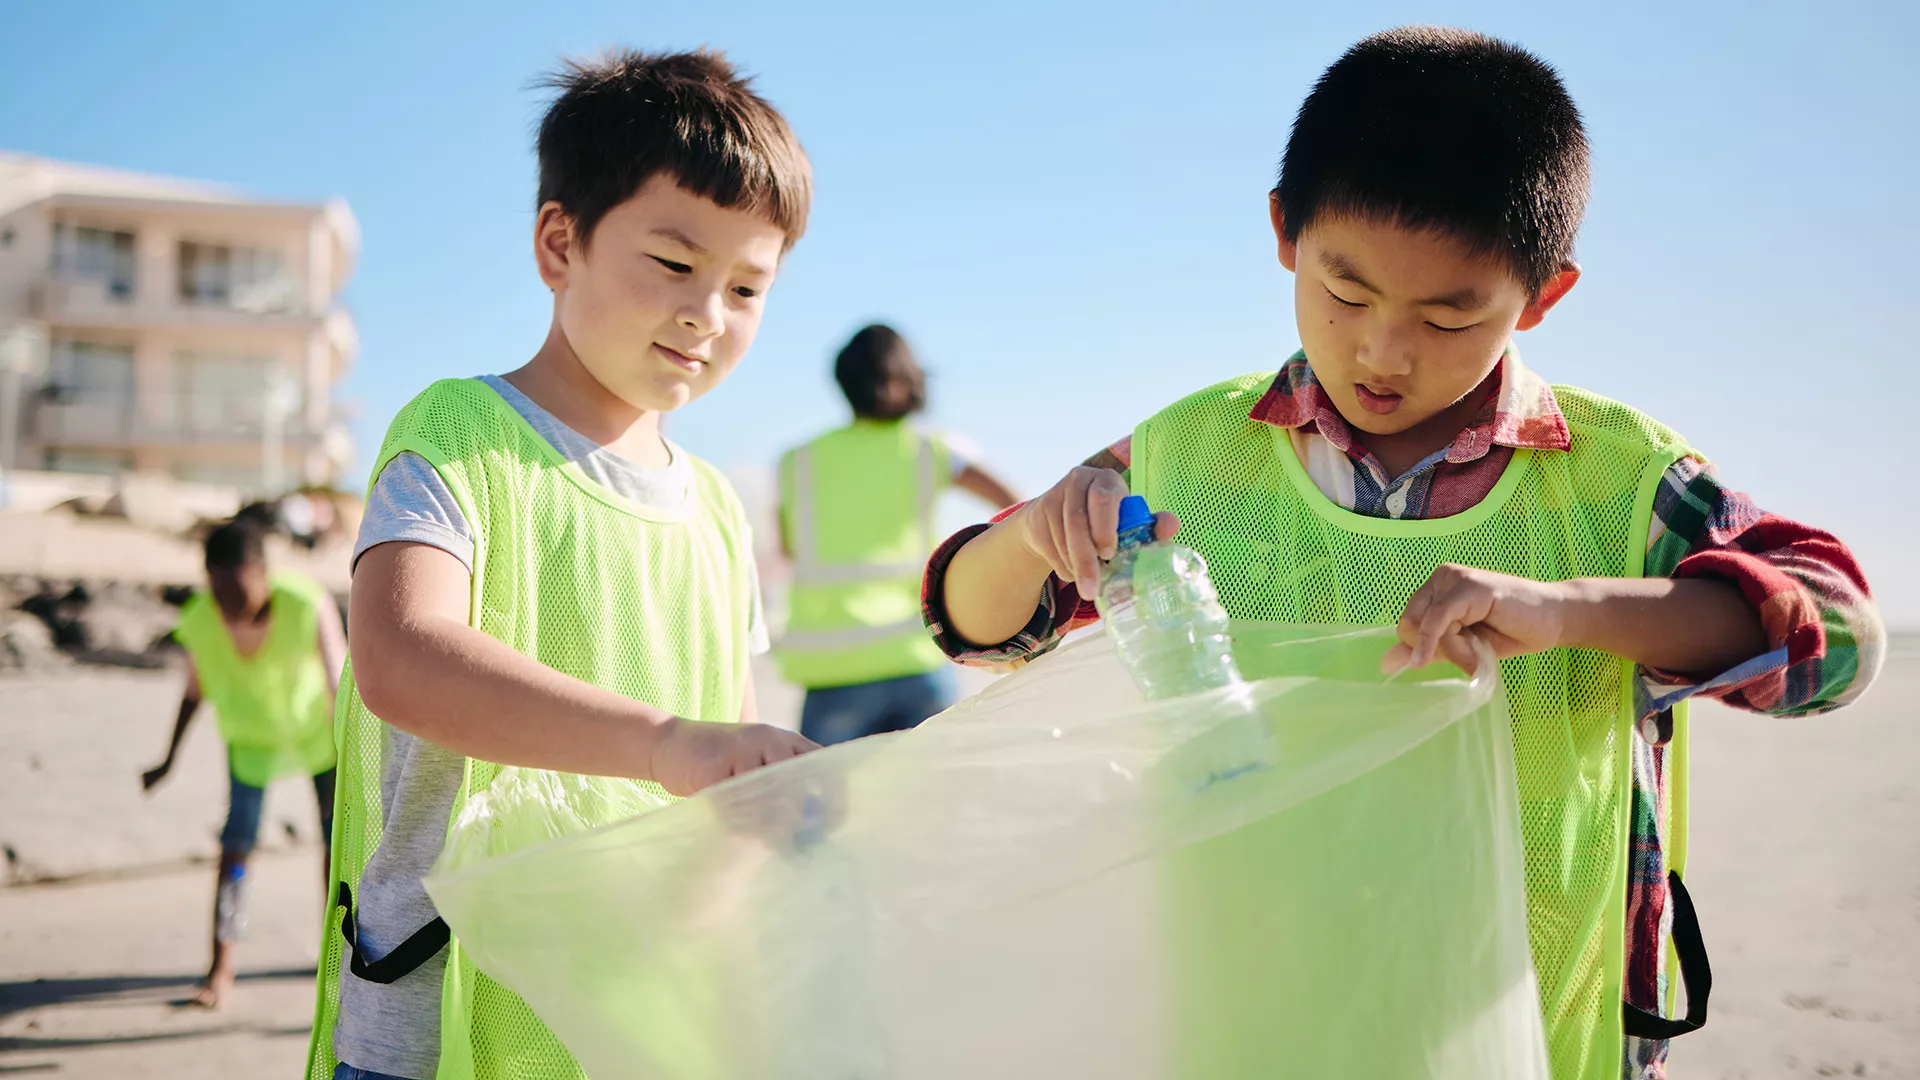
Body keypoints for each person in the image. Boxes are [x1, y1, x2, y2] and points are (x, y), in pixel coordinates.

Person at [925, 27, 1884, 1080]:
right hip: (1258, 1019)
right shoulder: (1188, 451)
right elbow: (970, 625)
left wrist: (1571, 611)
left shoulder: (1617, 478)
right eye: (1346, 294)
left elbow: (1837, 638)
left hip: (1532, 1027)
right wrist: (1032, 531)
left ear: (1543, 296)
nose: (1382, 351)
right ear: (1285, 231)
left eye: (1448, 314)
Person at [307, 49, 819, 1080]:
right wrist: (667, 743)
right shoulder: (459, 433)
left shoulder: (718, 511)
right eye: (675, 265)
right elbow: (403, 658)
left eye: (747, 288)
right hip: (438, 1019)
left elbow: (723, 777)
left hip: (630, 1021)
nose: (706, 315)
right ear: (559, 242)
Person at [776, 324, 1018, 745]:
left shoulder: (797, 461)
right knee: (932, 800)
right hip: (916, 656)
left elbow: (789, 547)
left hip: (833, 668)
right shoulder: (934, 449)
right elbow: (1016, 507)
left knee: (823, 806)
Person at [142, 517, 344, 1009]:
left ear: (262, 573)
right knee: (235, 853)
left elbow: (342, 683)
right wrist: (168, 759)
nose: (227, 606)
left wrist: (363, 749)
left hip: (318, 739)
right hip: (250, 745)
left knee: (336, 844)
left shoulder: (305, 602)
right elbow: (193, 693)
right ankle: (221, 967)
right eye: (217, 592)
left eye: (237, 592)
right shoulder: (200, 618)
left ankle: (334, 955)